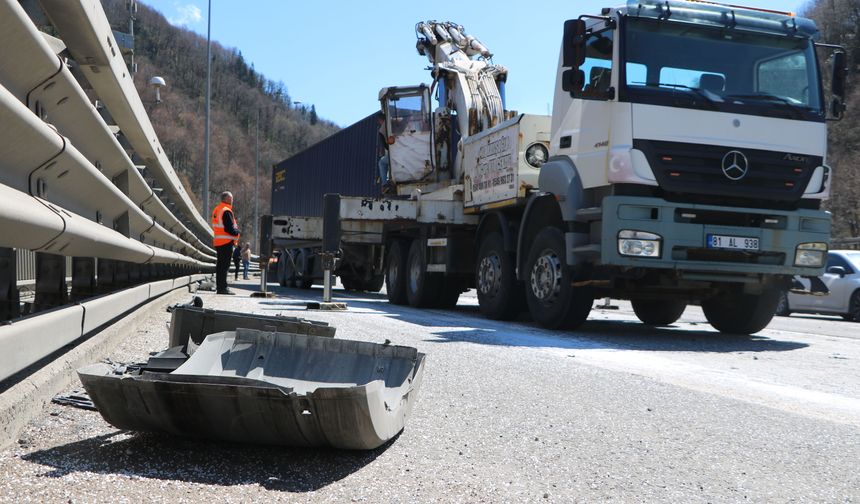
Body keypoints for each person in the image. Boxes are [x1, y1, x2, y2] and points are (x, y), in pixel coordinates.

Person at [211, 191, 240, 294]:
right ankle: (223, 288)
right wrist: (237, 232)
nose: (232, 201)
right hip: (226, 241)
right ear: (227, 199)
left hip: (218, 241)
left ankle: (220, 287)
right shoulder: (226, 211)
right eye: (231, 199)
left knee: (220, 266)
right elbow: (229, 229)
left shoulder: (217, 209)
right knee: (224, 266)